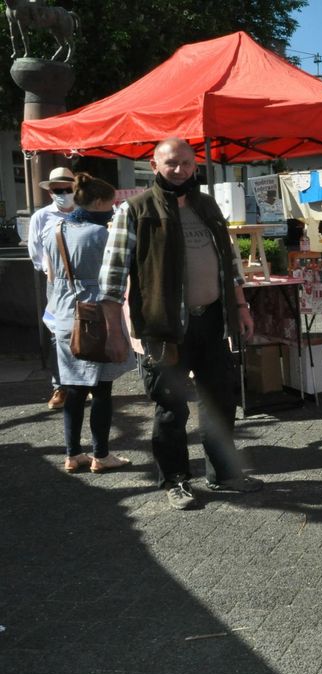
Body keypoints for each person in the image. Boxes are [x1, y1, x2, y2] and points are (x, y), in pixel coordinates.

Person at [99, 137, 262, 510]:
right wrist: (116, 333)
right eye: (172, 163)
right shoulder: (135, 210)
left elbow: (229, 264)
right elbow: (111, 279)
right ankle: (175, 480)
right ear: (154, 166)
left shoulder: (207, 207)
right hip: (164, 328)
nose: (180, 170)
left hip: (212, 323)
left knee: (220, 401)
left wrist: (241, 306)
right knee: (171, 409)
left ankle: (223, 474)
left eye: (187, 163)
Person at [44, 173, 136, 473]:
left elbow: (49, 271)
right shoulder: (100, 235)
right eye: (111, 204)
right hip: (95, 315)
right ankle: (101, 454)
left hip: (63, 315)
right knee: (102, 390)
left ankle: (72, 454)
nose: (113, 209)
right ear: (98, 202)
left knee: (73, 390)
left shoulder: (52, 228)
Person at [28, 166, 77, 410]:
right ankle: (60, 385)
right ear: (50, 192)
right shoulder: (41, 217)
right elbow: (35, 251)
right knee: (58, 334)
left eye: (67, 188)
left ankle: (83, 383)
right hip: (56, 284)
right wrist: (50, 271)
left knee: (88, 330)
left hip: (85, 282)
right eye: (58, 189)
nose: (63, 193)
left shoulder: (85, 212)